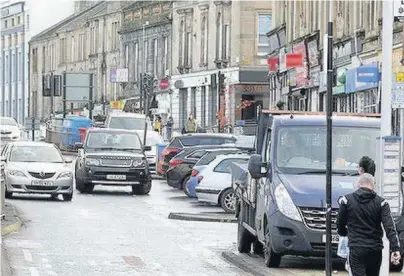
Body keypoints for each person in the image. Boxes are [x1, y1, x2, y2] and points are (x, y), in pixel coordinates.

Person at [337, 173, 401, 276]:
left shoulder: (346, 200)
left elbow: (340, 223)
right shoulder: (381, 203)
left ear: (358, 184)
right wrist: (395, 248)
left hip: (356, 247)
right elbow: (389, 226)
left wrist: (344, 233)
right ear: (373, 185)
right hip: (375, 249)